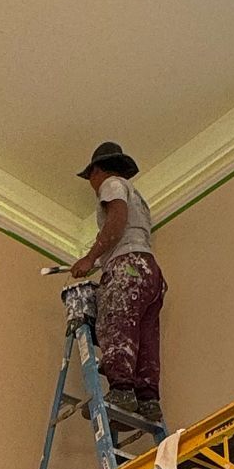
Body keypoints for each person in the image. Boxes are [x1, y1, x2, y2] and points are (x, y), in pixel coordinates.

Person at [71, 141, 167, 431]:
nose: (92, 184)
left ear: (97, 171)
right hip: (150, 271)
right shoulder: (138, 196)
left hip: (128, 267)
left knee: (116, 322)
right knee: (144, 335)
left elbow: (117, 218)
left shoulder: (111, 184)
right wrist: (102, 259)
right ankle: (148, 399)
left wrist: (90, 257)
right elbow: (128, 233)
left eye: (91, 177)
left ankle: (123, 391)